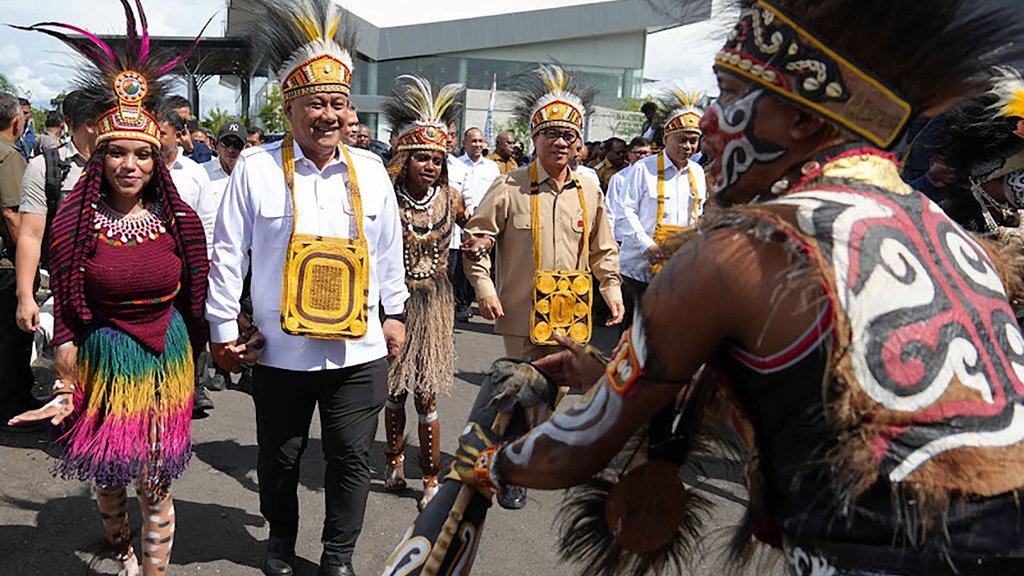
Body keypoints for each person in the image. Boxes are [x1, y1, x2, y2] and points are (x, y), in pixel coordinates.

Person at [453, 1, 1024, 575]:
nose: (705, 124)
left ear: (802, 123)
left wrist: (489, 465)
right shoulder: (951, 235)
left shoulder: (740, 250)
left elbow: (578, 447)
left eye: (727, 97)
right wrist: (607, 374)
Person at [205, 1, 408, 574]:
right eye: (315, 103)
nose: (328, 115)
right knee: (280, 458)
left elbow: (387, 250)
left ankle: (338, 555)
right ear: (290, 106)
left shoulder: (372, 169)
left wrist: (394, 314)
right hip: (279, 349)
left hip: (360, 347)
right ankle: (278, 543)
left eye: (338, 103)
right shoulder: (255, 167)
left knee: (349, 457)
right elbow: (227, 255)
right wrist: (223, 331)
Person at [6, 4, 210, 574]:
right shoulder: (76, 218)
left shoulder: (179, 219)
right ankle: (118, 541)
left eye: (142, 153)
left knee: (155, 476)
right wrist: (67, 367)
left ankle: (151, 570)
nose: (130, 163)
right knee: (110, 471)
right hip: (102, 356)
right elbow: (68, 299)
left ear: (157, 158)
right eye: (117, 152)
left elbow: (197, 296)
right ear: (100, 155)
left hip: (165, 359)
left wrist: (206, 350)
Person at [461, 64, 623, 361]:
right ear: (534, 139)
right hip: (521, 318)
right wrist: (484, 288)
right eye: (550, 134)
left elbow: (603, 248)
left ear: (578, 144)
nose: (560, 142)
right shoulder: (509, 186)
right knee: (522, 399)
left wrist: (611, 289)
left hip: (572, 316)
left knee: (555, 398)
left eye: (568, 135)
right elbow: (476, 240)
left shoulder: (589, 190)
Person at [379, 75, 469, 511]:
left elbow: (480, 225)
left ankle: (430, 479)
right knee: (395, 389)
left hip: (435, 305)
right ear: (404, 160)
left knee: (426, 392)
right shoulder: (386, 196)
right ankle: (395, 460)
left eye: (437, 159)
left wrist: (479, 241)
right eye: (421, 159)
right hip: (395, 305)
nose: (430, 166)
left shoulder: (452, 198)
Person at [15, 90, 102, 345]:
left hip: (117, 293)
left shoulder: (121, 165)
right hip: (67, 292)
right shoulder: (45, 167)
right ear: (90, 124)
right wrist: (25, 297)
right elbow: (30, 235)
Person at [616, 90, 706, 328]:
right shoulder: (642, 169)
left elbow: (698, 215)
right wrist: (648, 246)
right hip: (639, 270)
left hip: (678, 271)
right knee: (633, 337)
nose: (687, 146)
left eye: (693, 140)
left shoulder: (697, 172)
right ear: (666, 138)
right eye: (682, 139)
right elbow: (625, 211)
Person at [0, 91, 33, 428]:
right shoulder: (8, 156)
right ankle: (12, 405)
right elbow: (12, 214)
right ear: (15, 121)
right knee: (12, 336)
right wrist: (29, 258)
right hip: (6, 266)